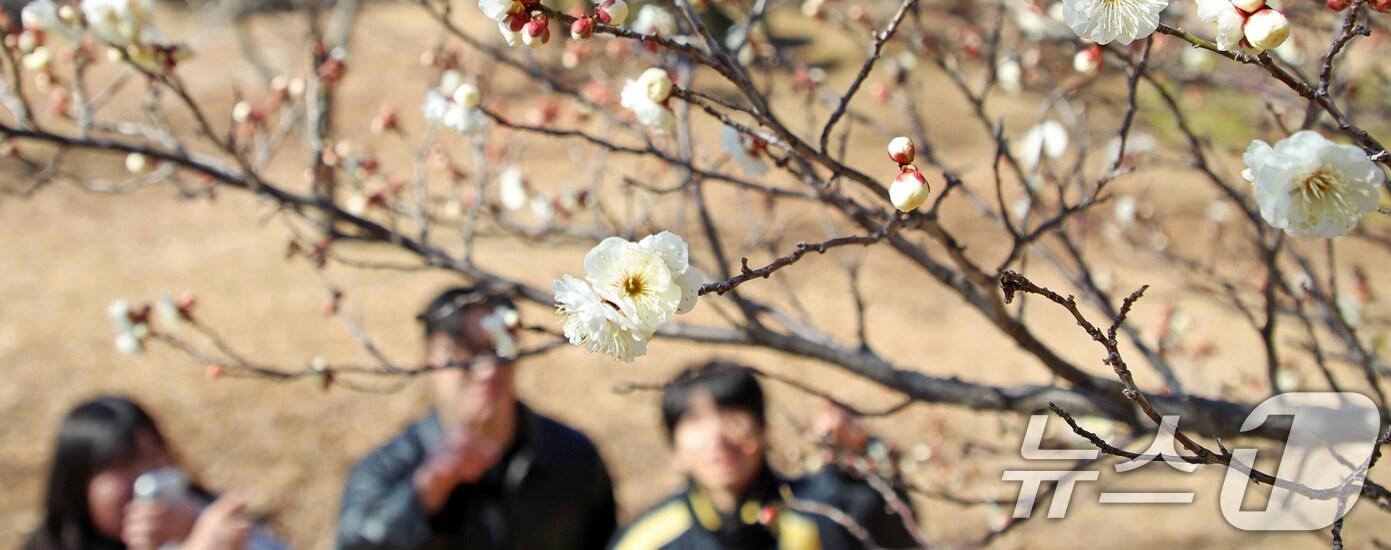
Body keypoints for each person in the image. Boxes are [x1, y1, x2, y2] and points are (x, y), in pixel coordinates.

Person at [337, 286, 617, 550]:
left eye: (500, 347)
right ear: (429, 360)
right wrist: (425, 492)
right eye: (464, 351)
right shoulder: (386, 470)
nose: (487, 368)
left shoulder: (570, 457)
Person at [610, 361, 920, 550]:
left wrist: (863, 452)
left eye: (732, 414)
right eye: (694, 421)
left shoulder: (822, 506)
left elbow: (899, 534)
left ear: (765, 431)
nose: (717, 437)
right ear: (676, 451)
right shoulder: (649, 540)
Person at [26, 395, 276, 550]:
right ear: (77, 485)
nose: (147, 477)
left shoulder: (205, 519)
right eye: (124, 462)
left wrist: (192, 529)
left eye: (155, 454)